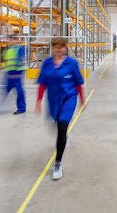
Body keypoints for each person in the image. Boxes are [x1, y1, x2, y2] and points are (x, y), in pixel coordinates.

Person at [35, 37, 85, 180]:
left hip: (69, 99)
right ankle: (64, 136)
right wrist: (38, 101)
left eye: (61, 46)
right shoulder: (47, 64)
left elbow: (78, 83)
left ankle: (57, 164)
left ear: (65, 48)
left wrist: (82, 98)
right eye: (55, 46)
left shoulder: (72, 63)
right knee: (56, 126)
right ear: (52, 48)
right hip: (53, 101)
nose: (58, 49)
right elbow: (43, 83)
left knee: (62, 126)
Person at [2, 35, 26, 114]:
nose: (9, 41)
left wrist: (19, 72)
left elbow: (22, 61)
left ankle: (21, 108)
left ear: (16, 40)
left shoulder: (19, 49)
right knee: (5, 90)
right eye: (8, 40)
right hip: (9, 73)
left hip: (16, 73)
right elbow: (6, 62)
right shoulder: (8, 50)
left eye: (11, 40)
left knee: (19, 91)